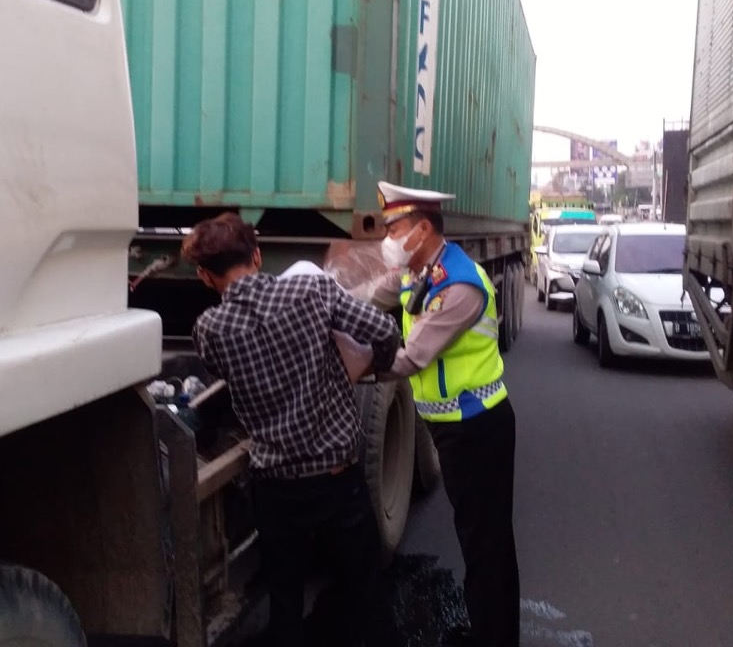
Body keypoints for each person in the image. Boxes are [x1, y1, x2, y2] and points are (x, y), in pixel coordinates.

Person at [181, 212, 400, 647]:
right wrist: (363, 366)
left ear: (205, 276)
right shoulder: (310, 289)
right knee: (367, 592)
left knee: (285, 604)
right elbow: (385, 331)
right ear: (258, 256)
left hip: (276, 488)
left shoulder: (208, 331)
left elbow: (220, 373)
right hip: (339, 481)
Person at [366, 181, 520, 647]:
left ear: (422, 228)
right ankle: (488, 628)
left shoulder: (459, 285)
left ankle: (494, 638)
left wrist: (349, 366)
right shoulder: (419, 270)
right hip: (452, 429)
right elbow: (371, 295)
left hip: (478, 429)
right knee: (476, 535)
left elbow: (412, 357)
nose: (387, 238)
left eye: (394, 228)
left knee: (485, 543)